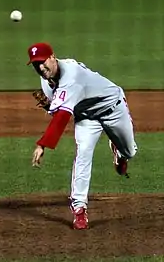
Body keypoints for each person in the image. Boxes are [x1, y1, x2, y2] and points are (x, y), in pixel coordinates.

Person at [27, 42, 138, 230]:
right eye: (35, 64)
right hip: (86, 118)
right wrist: (50, 106)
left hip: (113, 108)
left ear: (53, 57)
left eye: (42, 62)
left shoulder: (71, 75)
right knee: (83, 154)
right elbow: (60, 109)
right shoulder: (46, 80)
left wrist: (42, 144)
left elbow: (62, 117)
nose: (40, 67)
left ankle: (120, 152)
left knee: (130, 151)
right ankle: (79, 209)